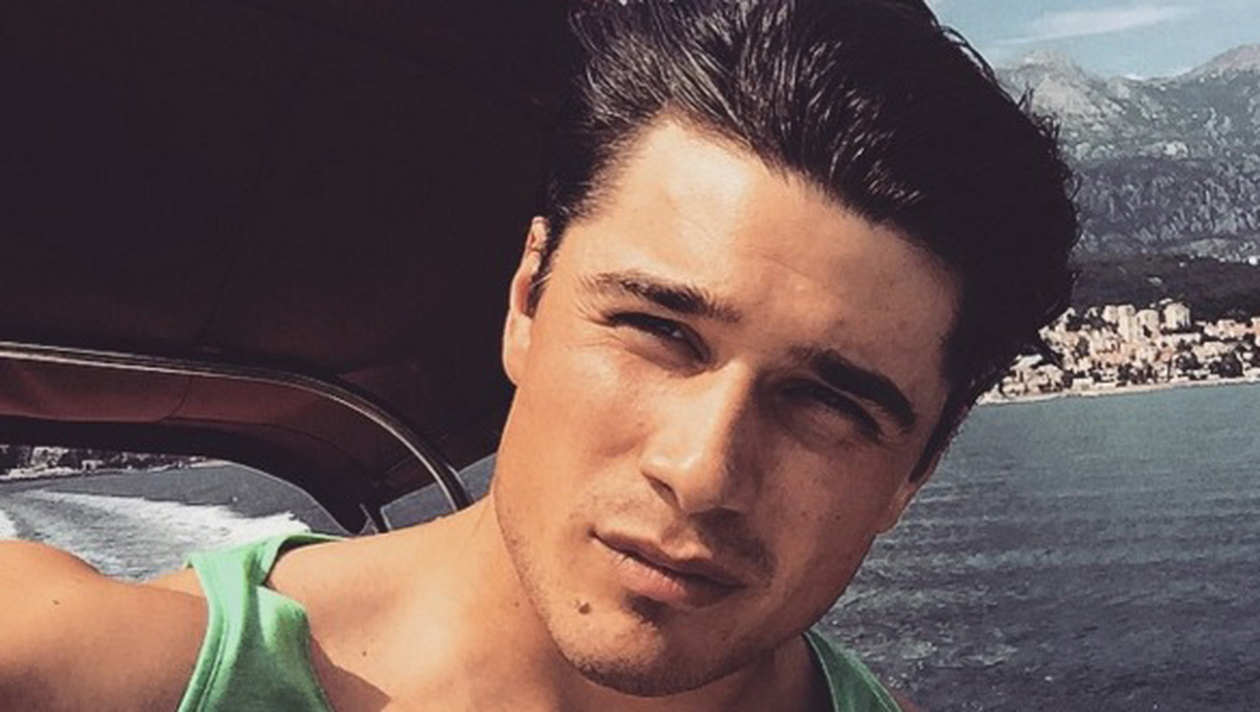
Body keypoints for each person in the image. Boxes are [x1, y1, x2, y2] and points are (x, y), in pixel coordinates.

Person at [0, 0, 1077, 710]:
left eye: (830, 404)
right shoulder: (93, 669)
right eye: (659, 331)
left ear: (914, 472)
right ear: (527, 297)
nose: (703, 471)